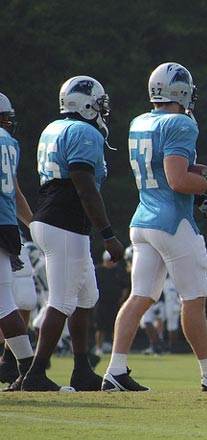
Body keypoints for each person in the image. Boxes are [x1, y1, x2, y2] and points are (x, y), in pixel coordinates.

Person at [102, 62, 207, 392]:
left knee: (140, 296)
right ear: (181, 92)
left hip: (143, 220)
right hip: (172, 222)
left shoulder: (140, 121)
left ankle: (115, 370)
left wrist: (200, 172)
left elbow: (167, 169)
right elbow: (177, 180)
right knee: (195, 297)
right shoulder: (180, 124)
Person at [21, 76, 124, 392]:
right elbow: (84, 187)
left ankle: (82, 370)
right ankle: (35, 374)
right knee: (63, 300)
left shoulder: (53, 128)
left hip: (57, 220)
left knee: (85, 297)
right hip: (62, 222)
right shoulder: (82, 132)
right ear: (88, 104)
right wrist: (108, 234)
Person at [0, 92, 36, 392]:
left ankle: (28, 369)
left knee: (4, 303)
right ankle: (27, 369)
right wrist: (33, 224)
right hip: (7, 224)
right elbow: (15, 191)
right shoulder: (10, 143)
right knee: (5, 301)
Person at [94, 251, 129, 356]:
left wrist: (122, 299)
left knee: (116, 327)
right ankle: (99, 348)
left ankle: (116, 350)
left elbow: (125, 287)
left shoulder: (118, 271)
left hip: (115, 303)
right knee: (100, 327)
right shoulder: (98, 270)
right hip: (101, 303)